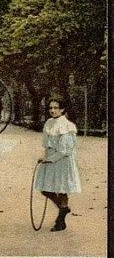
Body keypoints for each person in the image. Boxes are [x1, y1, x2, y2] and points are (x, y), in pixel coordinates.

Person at [35, 98, 81, 231]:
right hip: (50, 159)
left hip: (62, 161)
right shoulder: (49, 123)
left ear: (62, 109)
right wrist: (45, 157)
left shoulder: (67, 126)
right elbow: (46, 144)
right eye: (50, 108)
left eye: (56, 108)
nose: (52, 110)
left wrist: (49, 159)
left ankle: (60, 221)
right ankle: (64, 208)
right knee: (46, 189)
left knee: (61, 189)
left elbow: (65, 150)